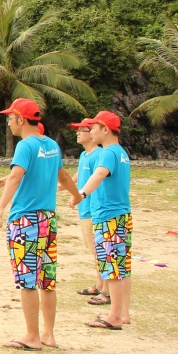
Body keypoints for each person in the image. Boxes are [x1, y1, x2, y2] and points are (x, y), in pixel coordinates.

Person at [0, 98, 81, 351]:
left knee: (26, 278)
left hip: (25, 218)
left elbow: (16, 177)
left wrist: (0, 208)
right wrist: (76, 195)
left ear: (21, 119)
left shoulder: (25, 146)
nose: (8, 123)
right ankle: (48, 334)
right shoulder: (51, 145)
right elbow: (62, 175)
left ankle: (32, 336)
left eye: (10, 118)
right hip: (47, 219)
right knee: (47, 279)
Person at [73, 111, 133, 330]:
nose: (91, 131)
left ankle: (114, 316)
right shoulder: (121, 152)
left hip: (109, 216)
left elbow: (98, 175)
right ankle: (122, 313)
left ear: (105, 130)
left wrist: (81, 194)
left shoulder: (108, 152)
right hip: (121, 215)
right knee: (122, 267)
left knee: (112, 267)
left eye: (94, 127)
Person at [69, 119, 108, 304]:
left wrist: (80, 195)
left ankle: (105, 288)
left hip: (94, 208)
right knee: (94, 250)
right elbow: (81, 174)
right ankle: (99, 284)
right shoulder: (85, 154)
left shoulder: (99, 154)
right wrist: (67, 185)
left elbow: (97, 177)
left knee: (99, 250)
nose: (78, 133)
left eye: (82, 130)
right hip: (85, 208)